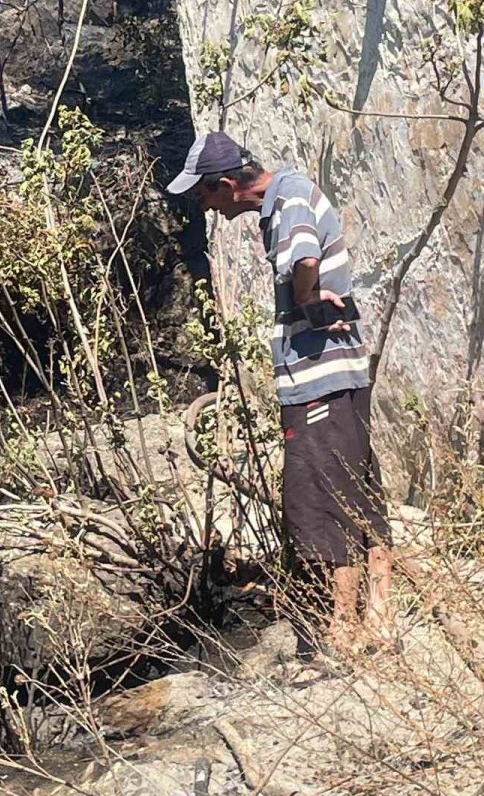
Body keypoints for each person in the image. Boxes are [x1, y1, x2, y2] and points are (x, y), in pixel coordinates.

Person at [167, 130, 393, 656]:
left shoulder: (288, 200)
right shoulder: (290, 196)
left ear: (226, 185)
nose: (205, 207)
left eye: (203, 195)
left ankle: (344, 628)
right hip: (339, 376)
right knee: (360, 490)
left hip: (318, 377)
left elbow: (303, 260)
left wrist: (310, 301)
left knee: (323, 495)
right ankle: (379, 617)